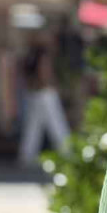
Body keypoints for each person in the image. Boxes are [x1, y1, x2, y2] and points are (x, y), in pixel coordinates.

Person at [18, 34, 70, 167]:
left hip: (34, 93)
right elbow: (45, 73)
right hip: (45, 93)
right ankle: (67, 152)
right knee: (56, 123)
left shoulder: (30, 56)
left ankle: (27, 155)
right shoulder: (43, 56)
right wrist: (52, 85)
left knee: (33, 126)